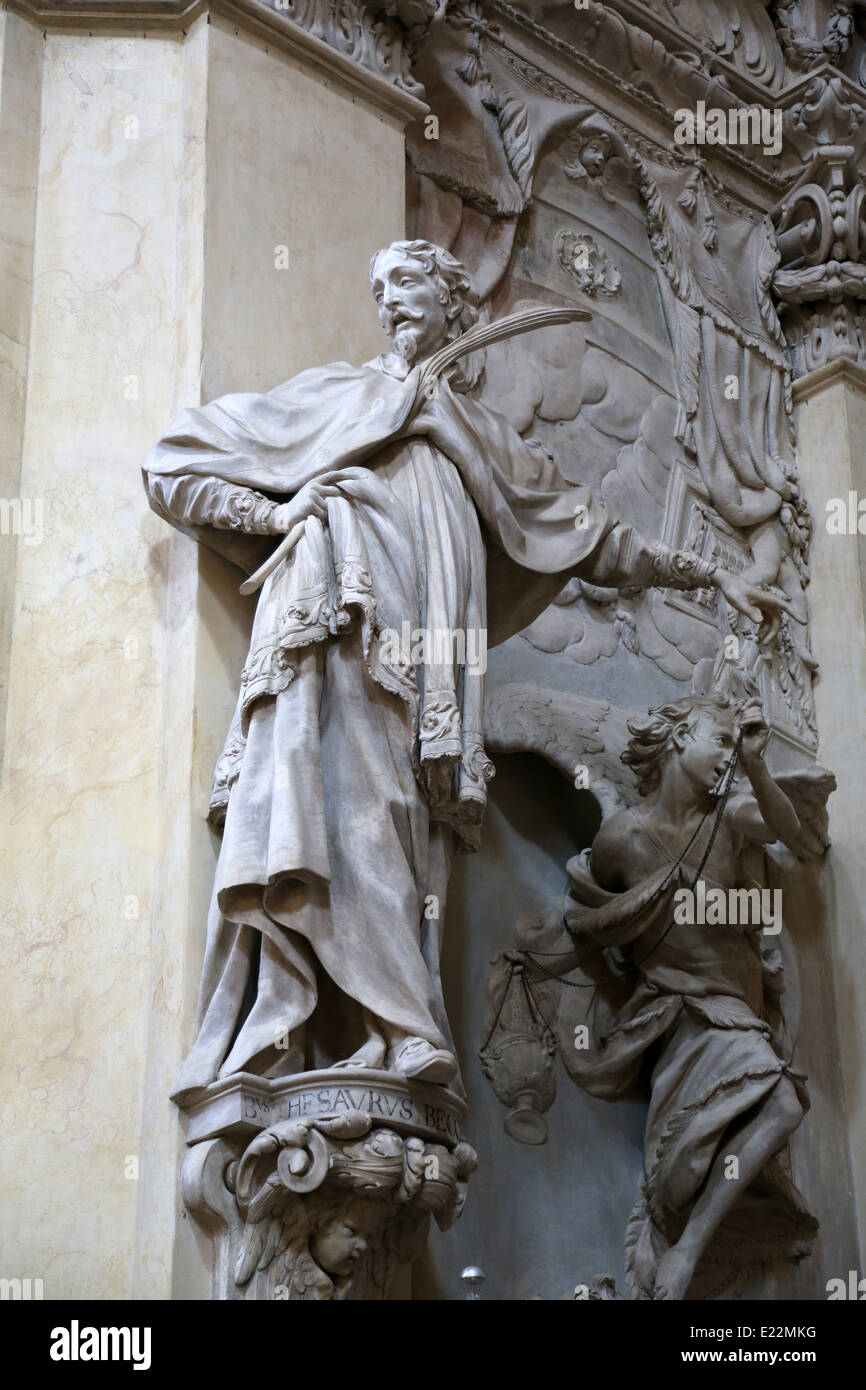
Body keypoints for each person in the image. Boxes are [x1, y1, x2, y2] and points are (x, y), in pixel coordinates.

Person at [143, 240, 794, 1100]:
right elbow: (171, 464)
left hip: (431, 676)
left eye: (410, 285)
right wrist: (279, 508)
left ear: (457, 307)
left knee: (404, 824)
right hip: (336, 629)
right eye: (381, 290)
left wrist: (711, 574)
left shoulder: (483, 438)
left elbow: (601, 540)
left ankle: (385, 1042)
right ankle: (338, 1027)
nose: (391, 302)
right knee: (337, 801)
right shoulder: (343, 395)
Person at [524, 694, 817, 1299]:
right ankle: (675, 1255)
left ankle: (685, 1254)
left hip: (738, 1011)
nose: (727, 758)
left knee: (784, 1103)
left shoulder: (731, 815)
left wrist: (759, 765)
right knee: (680, 1168)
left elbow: (794, 833)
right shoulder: (622, 839)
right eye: (719, 741)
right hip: (674, 1017)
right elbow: (591, 914)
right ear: (680, 739)